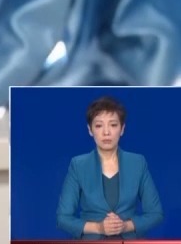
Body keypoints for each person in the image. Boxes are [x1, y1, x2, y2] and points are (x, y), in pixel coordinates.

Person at [56, 96, 164, 240]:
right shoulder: (78, 165)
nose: (106, 132)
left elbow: (155, 214)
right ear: (90, 130)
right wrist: (98, 228)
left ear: (122, 129)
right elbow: (63, 218)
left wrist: (125, 226)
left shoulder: (138, 163)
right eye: (99, 126)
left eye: (113, 125)